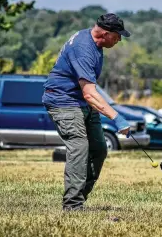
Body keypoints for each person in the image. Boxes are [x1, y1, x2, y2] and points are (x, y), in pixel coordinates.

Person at [42, 13, 131, 211]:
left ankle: (79, 197)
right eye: (118, 36)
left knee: (99, 149)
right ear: (106, 34)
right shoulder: (83, 49)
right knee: (79, 148)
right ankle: (73, 206)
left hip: (81, 102)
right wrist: (117, 118)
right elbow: (90, 94)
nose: (120, 40)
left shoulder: (95, 44)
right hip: (63, 101)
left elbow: (89, 90)